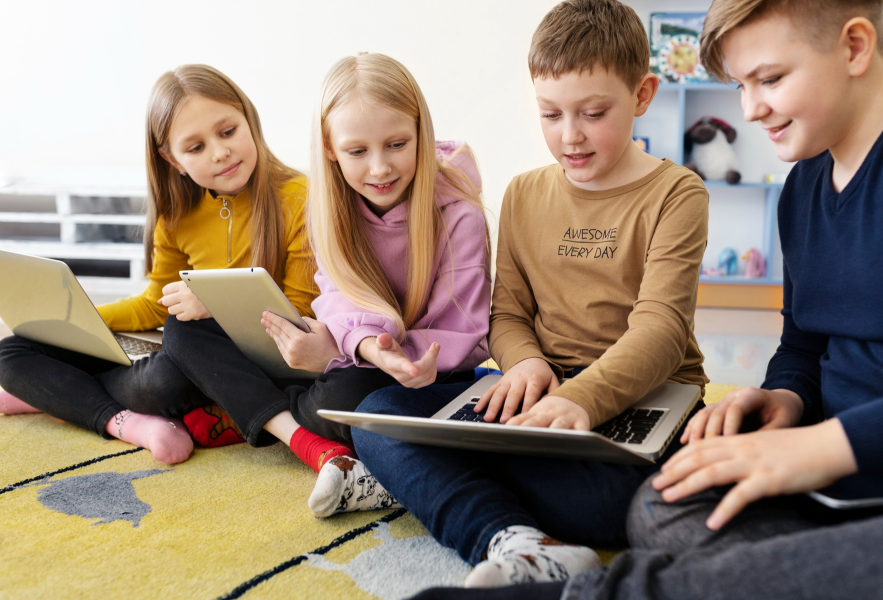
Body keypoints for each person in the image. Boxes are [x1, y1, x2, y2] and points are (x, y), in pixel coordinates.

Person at [410, 0, 883, 597]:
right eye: (742, 85)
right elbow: (802, 340)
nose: (749, 108)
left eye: (769, 79)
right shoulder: (804, 189)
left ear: (853, 46)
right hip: (842, 476)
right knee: (663, 510)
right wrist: (785, 398)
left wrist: (831, 445)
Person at [350, 0, 709, 589]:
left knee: (623, 506)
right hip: (537, 389)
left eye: (593, 113)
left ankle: (428, 483)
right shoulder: (522, 192)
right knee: (375, 418)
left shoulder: (677, 193)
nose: (570, 136)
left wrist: (583, 402)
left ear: (642, 95)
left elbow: (661, 331)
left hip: (641, 400)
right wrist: (527, 363)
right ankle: (512, 539)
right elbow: (508, 313)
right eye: (550, 114)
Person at [163, 53, 492, 513]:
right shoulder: (326, 206)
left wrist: (360, 351)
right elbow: (334, 294)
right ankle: (293, 429)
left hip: (422, 373)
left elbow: (462, 329)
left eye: (397, 144)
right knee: (183, 331)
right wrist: (354, 346)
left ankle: (245, 410)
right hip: (355, 355)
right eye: (358, 151)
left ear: (422, 134)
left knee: (348, 397)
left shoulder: (460, 213)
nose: (380, 169)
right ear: (332, 148)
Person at [0, 64, 318, 466]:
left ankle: (61, 395)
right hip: (182, 354)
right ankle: (117, 415)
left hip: (238, 362)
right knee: (12, 352)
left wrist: (218, 307)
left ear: (248, 119)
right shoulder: (177, 213)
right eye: (196, 147)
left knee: (162, 380)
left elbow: (302, 313)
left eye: (227, 131)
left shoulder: (300, 198)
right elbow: (155, 304)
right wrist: (74, 324)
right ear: (173, 160)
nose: (220, 153)